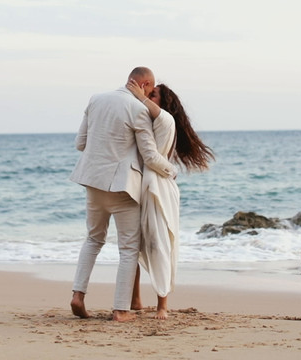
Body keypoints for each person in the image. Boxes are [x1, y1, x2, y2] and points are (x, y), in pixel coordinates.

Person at [69, 67, 176, 322]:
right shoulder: (138, 108)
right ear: (146, 83)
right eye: (151, 90)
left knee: (93, 240)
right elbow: (150, 156)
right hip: (122, 187)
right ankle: (120, 310)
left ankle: (78, 295)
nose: (149, 95)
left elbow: (80, 143)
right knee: (128, 248)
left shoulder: (96, 99)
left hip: (92, 181)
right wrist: (170, 171)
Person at [126, 80, 214, 320]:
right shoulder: (146, 121)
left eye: (153, 95)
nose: (147, 96)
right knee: (132, 243)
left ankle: (162, 305)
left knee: (160, 243)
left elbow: (153, 157)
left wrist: (137, 94)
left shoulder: (166, 119)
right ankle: (134, 299)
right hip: (140, 184)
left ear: (164, 103)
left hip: (159, 186)